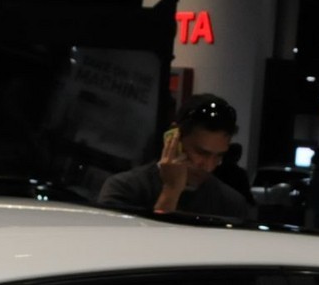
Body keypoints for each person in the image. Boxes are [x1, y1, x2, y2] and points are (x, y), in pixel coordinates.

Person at [97, 92, 253, 219]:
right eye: (201, 153)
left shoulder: (231, 203)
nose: (209, 166)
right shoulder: (125, 188)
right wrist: (171, 190)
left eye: (219, 156)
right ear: (174, 137)